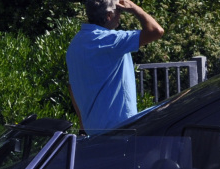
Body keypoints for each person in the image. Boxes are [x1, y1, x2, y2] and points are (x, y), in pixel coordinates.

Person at [66, 0, 164, 134]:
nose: (121, 15)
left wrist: (83, 124)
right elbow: (156, 31)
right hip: (119, 130)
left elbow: (72, 87)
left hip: (92, 131)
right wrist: (135, 9)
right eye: (119, 11)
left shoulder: (76, 44)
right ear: (109, 16)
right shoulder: (112, 41)